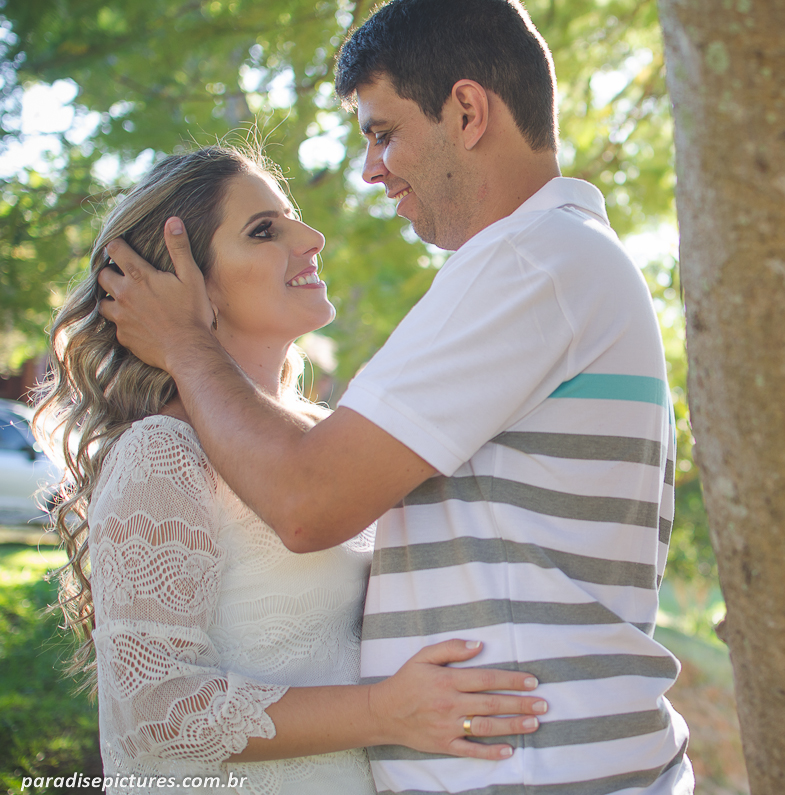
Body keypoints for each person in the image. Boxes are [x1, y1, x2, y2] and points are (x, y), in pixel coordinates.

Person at [98, 0, 694, 792]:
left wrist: (183, 344)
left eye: (383, 133)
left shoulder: (528, 265)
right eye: (264, 230)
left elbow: (308, 500)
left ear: (468, 111)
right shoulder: (546, 262)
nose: (371, 170)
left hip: (538, 770)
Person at [34, 145, 546, 795]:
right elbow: (153, 711)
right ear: (187, 285)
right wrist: (385, 711)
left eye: (292, 219)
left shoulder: (327, 439)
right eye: (263, 231)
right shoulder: (162, 452)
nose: (311, 239)